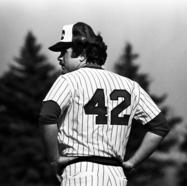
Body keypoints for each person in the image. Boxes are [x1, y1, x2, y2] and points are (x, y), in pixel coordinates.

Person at [39, 22, 169, 186]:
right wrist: (132, 162)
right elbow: (160, 126)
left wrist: (54, 160)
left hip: (80, 173)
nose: (59, 58)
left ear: (82, 54)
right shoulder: (130, 86)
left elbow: (47, 115)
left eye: (64, 51)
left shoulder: (68, 80)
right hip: (116, 177)